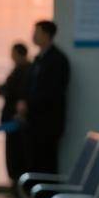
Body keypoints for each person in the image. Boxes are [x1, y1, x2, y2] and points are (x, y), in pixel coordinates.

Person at [19, 20, 71, 175]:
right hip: (32, 122)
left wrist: (29, 104)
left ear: (47, 35)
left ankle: (45, 191)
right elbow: (29, 85)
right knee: (32, 163)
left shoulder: (58, 60)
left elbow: (53, 92)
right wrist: (23, 102)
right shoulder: (38, 59)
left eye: (37, 33)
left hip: (48, 123)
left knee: (46, 164)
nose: (33, 36)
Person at [0, 42, 33, 188]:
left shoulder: (24, 70)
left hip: (16, 119)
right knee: (14, 153)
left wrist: (3, 90)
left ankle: (18, 185)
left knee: (16, 153)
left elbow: (12, 90)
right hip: (12, 118)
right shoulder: (22, 69)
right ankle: (16, 184)